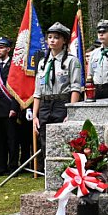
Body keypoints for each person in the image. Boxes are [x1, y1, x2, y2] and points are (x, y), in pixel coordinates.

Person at [32, 23, 82, 167]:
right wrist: (35, 116)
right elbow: (37, 91)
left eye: (56, 37)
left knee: (62, 137)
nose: (52, 40)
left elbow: (75, 88)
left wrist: (71, 111)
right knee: (45, 139)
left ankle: (65, 170)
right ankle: (50, 171)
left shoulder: (71, 61)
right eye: (50, 37)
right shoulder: (43, 62)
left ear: (64, 41)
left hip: (62, 103)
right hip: (45, 105)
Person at [0, 37, 18, 177]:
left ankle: (13, 167)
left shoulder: (13, 65)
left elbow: (17, 88)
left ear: (8, 49)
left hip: (9, 107)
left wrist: (14, 107)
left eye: (2, 47)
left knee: (11, 139)